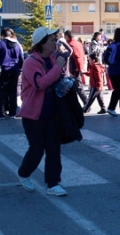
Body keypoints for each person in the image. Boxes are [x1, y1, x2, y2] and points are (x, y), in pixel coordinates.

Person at [16, 27, 69, 196]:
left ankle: (53, 183)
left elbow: (56, 80)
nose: (55, 42)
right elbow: (40, 83)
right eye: (52, 40)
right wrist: (57, 69)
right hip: (33, 115)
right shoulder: (30, 62)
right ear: (42, 43)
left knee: (54, 149)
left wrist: (65, 85)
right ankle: (24, 173)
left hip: (52, 111)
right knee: (37, 149)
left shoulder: (53, 59)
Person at [0, 28, 24, 119]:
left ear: (2, 35)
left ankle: (1, 112)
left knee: (2, 92)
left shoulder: (1, 44)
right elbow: (21, 58)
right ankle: (12, 112)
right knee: (13, 91)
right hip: (14, 70)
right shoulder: (17, 45)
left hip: (3, 70)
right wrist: (20, 69)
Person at [64, 30, 88, 107]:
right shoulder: (78, 43)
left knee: (78, 87)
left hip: (74, 68)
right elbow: (82, 55)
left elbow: (76, 56)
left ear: (67, 36)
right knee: (74, 87)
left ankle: (87, 104)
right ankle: (75, 105)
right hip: (77, 67)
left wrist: (78, 68)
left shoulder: (70, 44)